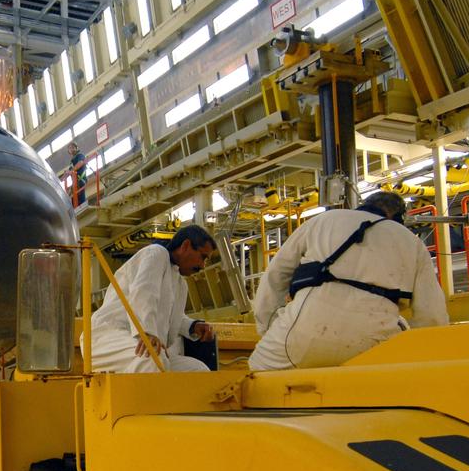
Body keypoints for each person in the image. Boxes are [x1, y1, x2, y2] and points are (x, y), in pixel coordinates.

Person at [249, 191, 449, 371]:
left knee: (256, 370)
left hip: (302, 336)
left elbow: (275, 276)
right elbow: (432, 315)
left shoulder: (324, 220)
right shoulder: (411, 241)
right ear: (397, 216)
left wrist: (269, 328)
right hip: (376, 345)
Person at [88, 224, 218, 373]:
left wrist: (193, 326)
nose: (202, 266)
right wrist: (147, 333)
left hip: (137, 341)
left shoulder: (180, 284)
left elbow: (170, 316)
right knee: (154, 361)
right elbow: (143, 292)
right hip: (108, 337)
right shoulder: (156, 253)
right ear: (186, 245)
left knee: (198, 370)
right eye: (202, 257)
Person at [68, 142, 88, 206]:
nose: (71, 149)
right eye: (70, 148)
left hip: (80, 180)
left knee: (81, 200)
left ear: (76, 148)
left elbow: (80, 163)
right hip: (75, 182)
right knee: (74, 201)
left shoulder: (80, 155)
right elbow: (70, 171)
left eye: (73, 147)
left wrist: (71, 170)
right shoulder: (72, 161)